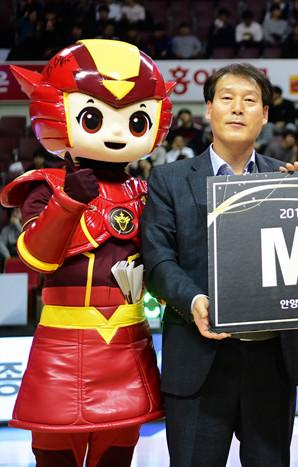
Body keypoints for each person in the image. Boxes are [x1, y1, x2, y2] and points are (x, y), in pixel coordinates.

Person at [1, 39, 173, 467]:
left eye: (135, 120)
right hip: (62, 345)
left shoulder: (147, 192)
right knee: (55, 452)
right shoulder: (46, 185)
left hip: (128, 341)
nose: (115, 132)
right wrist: (68, 202)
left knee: (117, 453)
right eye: (94, 117)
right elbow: (36, 258)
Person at [141, 63, 298, 467]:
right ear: (208, 109)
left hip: (272, 362)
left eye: (249, 101)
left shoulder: (289, 179)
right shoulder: (169, 179)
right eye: (227, 98)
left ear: (264, 115)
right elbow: (159, 260)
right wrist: (194, 301)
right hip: (198, 358)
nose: (237, 108)